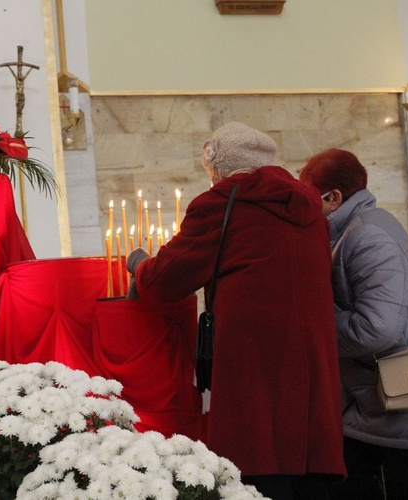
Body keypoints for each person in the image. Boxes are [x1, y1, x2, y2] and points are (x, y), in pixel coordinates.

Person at [126, 122, 346, 500]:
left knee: (258, 474)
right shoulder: (309, 207)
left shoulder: (221, 202)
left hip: (255, 367)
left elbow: (165, 281)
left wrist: (139, 263)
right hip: (312, 369)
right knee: (305, 473)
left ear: (215, 168)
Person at [298, 148, 408, 500]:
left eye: (307, 198)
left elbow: (378, 328)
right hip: (382, 403)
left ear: (333, 198)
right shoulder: (352, 230)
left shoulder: (368, 236)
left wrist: (314, 325)